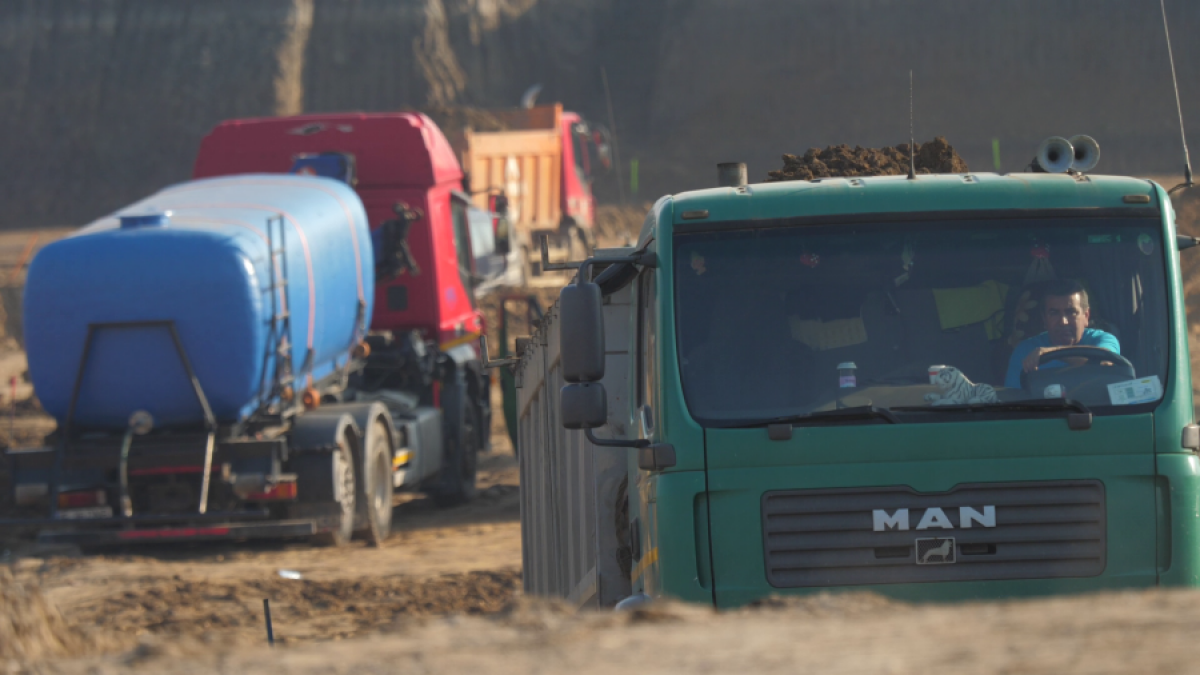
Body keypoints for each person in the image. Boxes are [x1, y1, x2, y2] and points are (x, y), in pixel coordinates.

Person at [1003, 279, 1120, 389]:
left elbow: (1105, 365)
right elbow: (1013, 402)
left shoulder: (1104, 340)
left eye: (1071, 312)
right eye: (1054, 313)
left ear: (1086, 316)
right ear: (1044, 319)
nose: (1063, 322)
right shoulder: (1025, 351)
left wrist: (1051, 352)